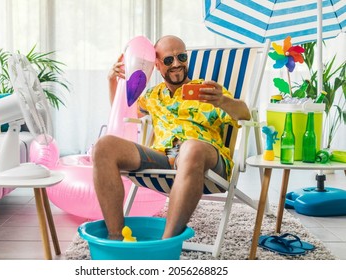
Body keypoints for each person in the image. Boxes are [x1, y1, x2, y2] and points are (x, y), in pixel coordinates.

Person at [92, 35, 251, 240]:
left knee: (191, 148)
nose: (176, 64)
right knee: (103, 146)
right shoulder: (152, 96)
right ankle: (116, 238)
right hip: (165, 157)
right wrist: (112, 81)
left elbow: (244, 114)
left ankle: (165, 244)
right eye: (169, 60)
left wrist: (222, 101)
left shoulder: (207, 91)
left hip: (205, 159)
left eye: (181, 57)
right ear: (157, 65)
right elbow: (124, 112)